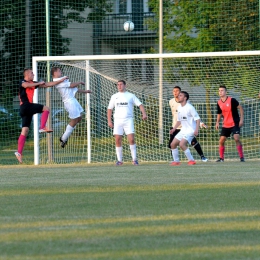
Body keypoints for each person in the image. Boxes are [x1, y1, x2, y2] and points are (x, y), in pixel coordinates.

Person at [15, 68, 68, 163]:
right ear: (27, 74)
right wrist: (38, 83)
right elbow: (26, 85)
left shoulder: (33, 83)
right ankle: (42, 127)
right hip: (25, 106)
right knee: (46, 108)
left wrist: (60, 80)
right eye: (32, 73)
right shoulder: (23, 81)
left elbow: (47, 84)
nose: (33, 74)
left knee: (25, 130)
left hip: (26, 110)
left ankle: (19, 153)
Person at [107, 80, 147, 165]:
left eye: (121, 84)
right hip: (117, 120)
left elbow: (140, 104)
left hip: (128, 119)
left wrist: (144, 113)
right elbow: (110, 109)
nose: (119, 86)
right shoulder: (114, 96)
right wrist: (109, 121)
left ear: (125, 85)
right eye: (118, 85)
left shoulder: (131, 96)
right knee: (117, 139)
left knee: (131, 139)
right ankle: (119, 160)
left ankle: (135, 159)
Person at [51, 67, 92, 148]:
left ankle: (66, 135)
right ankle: (63, 138)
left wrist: (85, 91)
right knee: (74, 120)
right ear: (54, 73)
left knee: (79, 118)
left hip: (73, 100)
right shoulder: (56, 82)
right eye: (59, 71)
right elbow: (72, 85)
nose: (61, 72)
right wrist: (80, 81)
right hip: (69, 102)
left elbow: (74, 88)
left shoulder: (62, 79)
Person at [169, 86, 208, 162]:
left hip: (190, 130)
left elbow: (197, 119)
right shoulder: (179, 107)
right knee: (172, 144)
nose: (178, 96)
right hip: (183, 130)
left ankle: (192, 160)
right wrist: (174, 128)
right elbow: (179, 120)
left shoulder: (190, 107)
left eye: (180, 95)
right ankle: (176, 161)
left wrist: (196, 129)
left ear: (185, 98)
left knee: (182, 144)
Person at [215, 85, 244, 162]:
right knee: (221, 140)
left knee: (236, 138)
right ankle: (221, 158)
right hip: (226, 124)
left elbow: (240, 108)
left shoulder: (232, 100)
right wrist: (217, 122)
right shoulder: (218, 102)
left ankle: (241, 157)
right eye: (219, 91)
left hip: (234, 123)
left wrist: (241, 119)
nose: (220, 92)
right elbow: (219, 113)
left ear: (226, 92)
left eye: (222, 90)